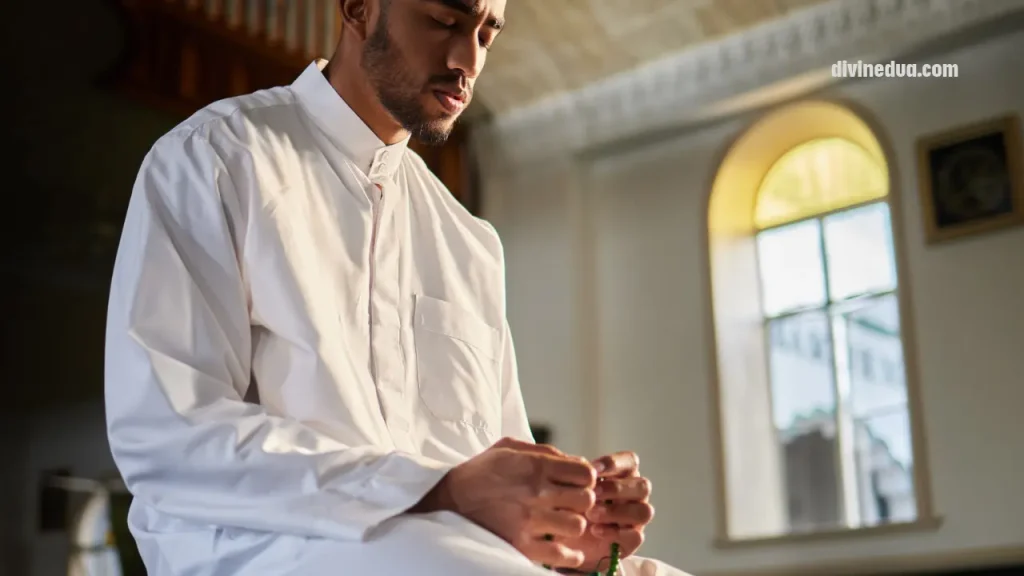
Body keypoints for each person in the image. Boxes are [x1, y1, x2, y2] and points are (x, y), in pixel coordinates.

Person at [104, 0, 692, 574]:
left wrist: (560, 530)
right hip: (262, 547)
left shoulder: (470, 242)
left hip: (456, 550)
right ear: (358, 8)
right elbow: (170, 437)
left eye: (488, 34)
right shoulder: (216, 157)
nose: (468, 59)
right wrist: (437, 490)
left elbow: (498, 472)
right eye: (444, 20)